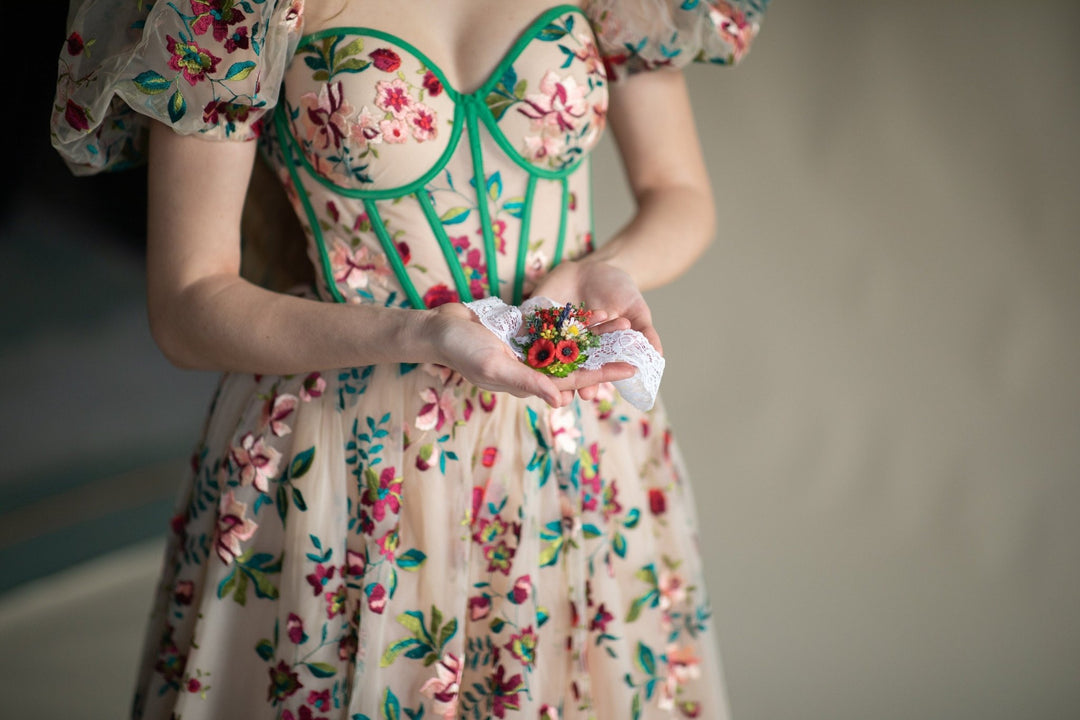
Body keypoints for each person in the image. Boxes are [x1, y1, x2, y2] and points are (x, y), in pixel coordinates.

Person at [50, 0, 768, 717]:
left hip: (572, 436)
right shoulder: (236, 9)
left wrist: (602, 270)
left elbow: (679, 192)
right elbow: (186, 304)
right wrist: (417, 334)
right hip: (351, 460)